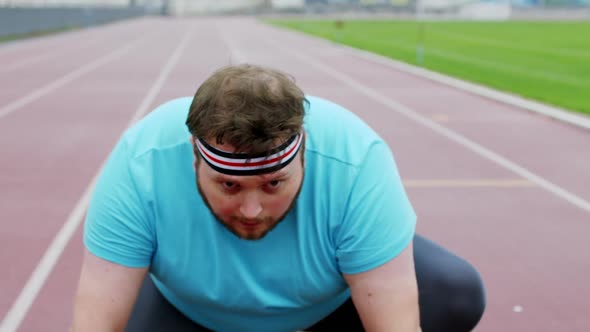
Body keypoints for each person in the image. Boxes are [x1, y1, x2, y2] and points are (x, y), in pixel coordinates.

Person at [71, 64, 486, 332]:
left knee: (455, 290)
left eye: (273, 184)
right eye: (229, 186)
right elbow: (96, 315)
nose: (251, 211)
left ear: (305, 155)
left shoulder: (355, 160)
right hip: (189, 312)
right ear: (194, 159)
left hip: (327, 309)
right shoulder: (142, 161)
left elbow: (393, 320)